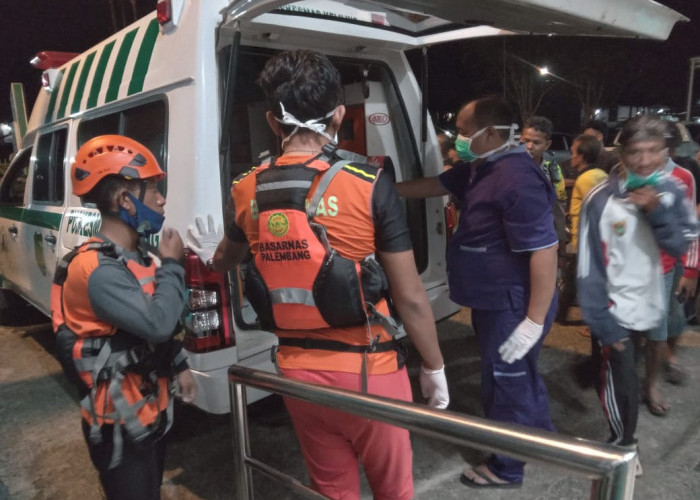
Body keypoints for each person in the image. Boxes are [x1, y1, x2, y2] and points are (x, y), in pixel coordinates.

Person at [186, 50, 448, 500]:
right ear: (340, 114)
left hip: (295, 372)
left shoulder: (246, 187)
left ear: (273, 121)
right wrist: (435, 365)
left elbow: (225, 261)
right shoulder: (368, 182)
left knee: (330, 491)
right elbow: (411, 298)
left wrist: (211, 254)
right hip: (370, 372)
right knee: (394, 492)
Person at [397, 96, 558, 489]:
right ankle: (539, 438)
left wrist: (533, 321)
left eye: (465, 132)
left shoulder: (517, 178)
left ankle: (506, 467)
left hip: (514, 304)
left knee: (505, 380)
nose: (458, 139)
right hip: (494, 300)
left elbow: (544, 251)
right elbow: (432, 185)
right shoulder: (480, 169)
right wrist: (377, 187)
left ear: (489, 133)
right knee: (521, 376)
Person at [51, 135, 196, 500]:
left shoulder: (140, 255)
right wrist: (174, 266)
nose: (162, 199)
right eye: (152, 190)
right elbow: (157, 323)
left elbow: (155, 327)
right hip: (118, 426)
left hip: (150, 412)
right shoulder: (98, 269)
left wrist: (180, 365)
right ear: (124, 200)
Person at [577, 115, 695, 474]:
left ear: (666, 152)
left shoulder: (673, 191)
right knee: (621, 376)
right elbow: (588, 265)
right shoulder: (600, 198)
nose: (644, 160)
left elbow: (678, 246)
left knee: (642, 363)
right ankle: (624, 443)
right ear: (621, 153)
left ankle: (625, 436)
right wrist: (601, 321)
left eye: (653, 151)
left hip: (652, 295)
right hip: (613, 306)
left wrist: (656, 211)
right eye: (635, 151)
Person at [640, 122, 698, 407]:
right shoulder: (630, 174)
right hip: (636, 262)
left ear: (670, 149)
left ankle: (653, 379)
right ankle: (649, 379)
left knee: (667, 321)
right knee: (651, 325)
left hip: (668, 262)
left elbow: (690, 226)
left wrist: (690, 269)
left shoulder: (682, 177)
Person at [556, 134, 606, 324]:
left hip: (587, 241)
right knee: (573, 279)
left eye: (573, 154)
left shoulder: (587, 179)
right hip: (589, 240)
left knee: (576, 280)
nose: (571, 158)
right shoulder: (598, 175)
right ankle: (561, 315)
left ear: (583, 156)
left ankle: (566, 316)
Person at [521, 116, 567, 209]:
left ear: (547, 145)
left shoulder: (553, 171)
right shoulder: (508, 167)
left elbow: (559, 205)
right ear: (520, 138)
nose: (529, 146)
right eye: (526, 141)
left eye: (536, 143)